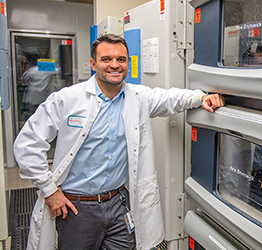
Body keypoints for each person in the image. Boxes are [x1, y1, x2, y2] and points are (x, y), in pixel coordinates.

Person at [13, 34, 224, 250]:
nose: (115, 65)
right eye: (106, 59)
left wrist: (201, 97)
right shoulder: (66, 99)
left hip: (119, 203)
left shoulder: (138, 97)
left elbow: (170, 98)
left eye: (121, 59)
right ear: (93, 64)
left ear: (128, 63)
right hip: (77, 208)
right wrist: (49, 190)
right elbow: (27, 144)